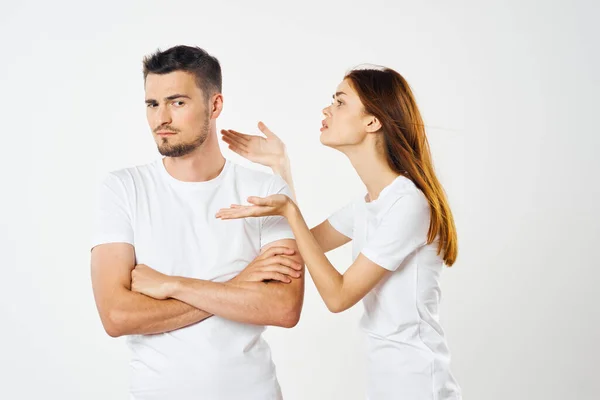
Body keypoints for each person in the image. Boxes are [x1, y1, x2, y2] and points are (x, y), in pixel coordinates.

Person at [217, 66, 462, 399]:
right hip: (387, 383)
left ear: (372, 122)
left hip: (418, 384)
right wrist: (280, 166)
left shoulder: (407, 204)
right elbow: (302, 248)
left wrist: (288, 207)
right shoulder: (366, 205)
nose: (327, 109)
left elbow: (338, 296)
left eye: (340, 101)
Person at [90, 45, 305, 400]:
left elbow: (284, 307)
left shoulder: (265, 189)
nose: (162, 119)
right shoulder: (123, 188)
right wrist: (240, 283)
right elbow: (116, 315)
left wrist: (170, 285)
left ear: (215, 105)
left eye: (177, 102)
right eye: (152, 104)